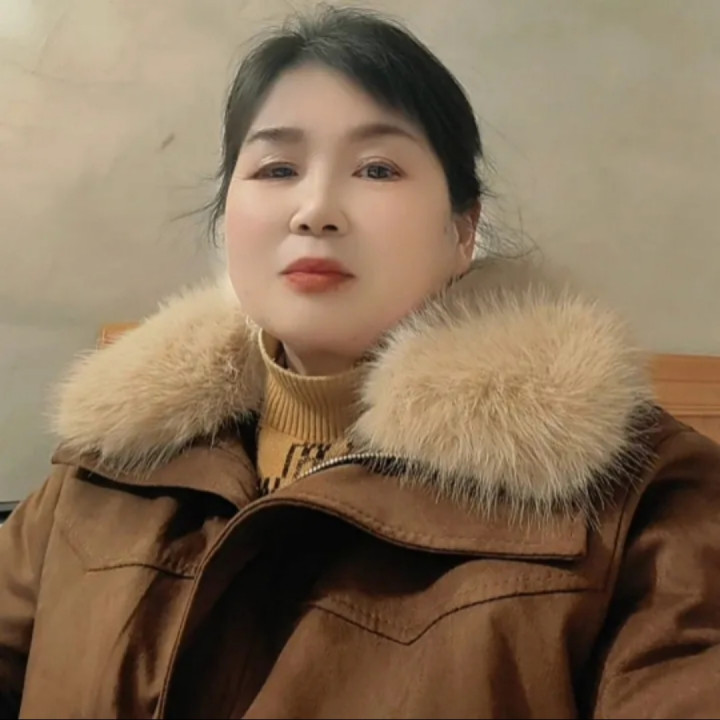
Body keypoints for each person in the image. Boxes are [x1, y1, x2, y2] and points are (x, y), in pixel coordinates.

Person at [1, 5, 718, 718]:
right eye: (278, 168)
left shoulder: (641, 497)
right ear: (227, 218)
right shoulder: (107, 460)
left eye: (377, 168)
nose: (315, 209)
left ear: (463, 230)